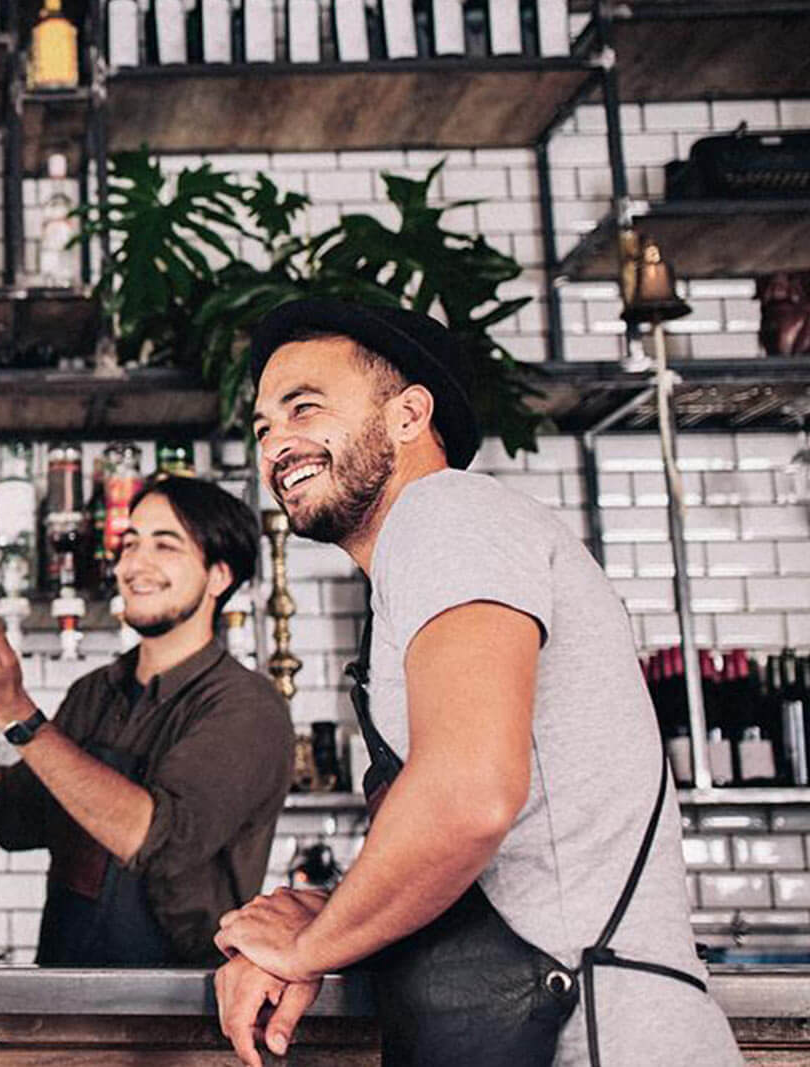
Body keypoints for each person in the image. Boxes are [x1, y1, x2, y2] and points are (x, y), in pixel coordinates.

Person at [212, 298, 739, 1066]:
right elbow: (490, 863)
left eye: (305, 409)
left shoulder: (444, 512)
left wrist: (305, 947)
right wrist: (334, 914)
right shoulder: (419, 566)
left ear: (407, 414)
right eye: (263, 429)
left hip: (596, 1038)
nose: (276, 445)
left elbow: (469, 796)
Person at [0, 475, 293, 966]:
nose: (135, 564)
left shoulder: (244, 706)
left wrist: (14, 712)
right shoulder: (95, 692)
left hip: (179, 1010)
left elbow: (149, 838)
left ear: (219, 576)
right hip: (69, 988)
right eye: (130, 543)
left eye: (165, 546)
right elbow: (9, 817)